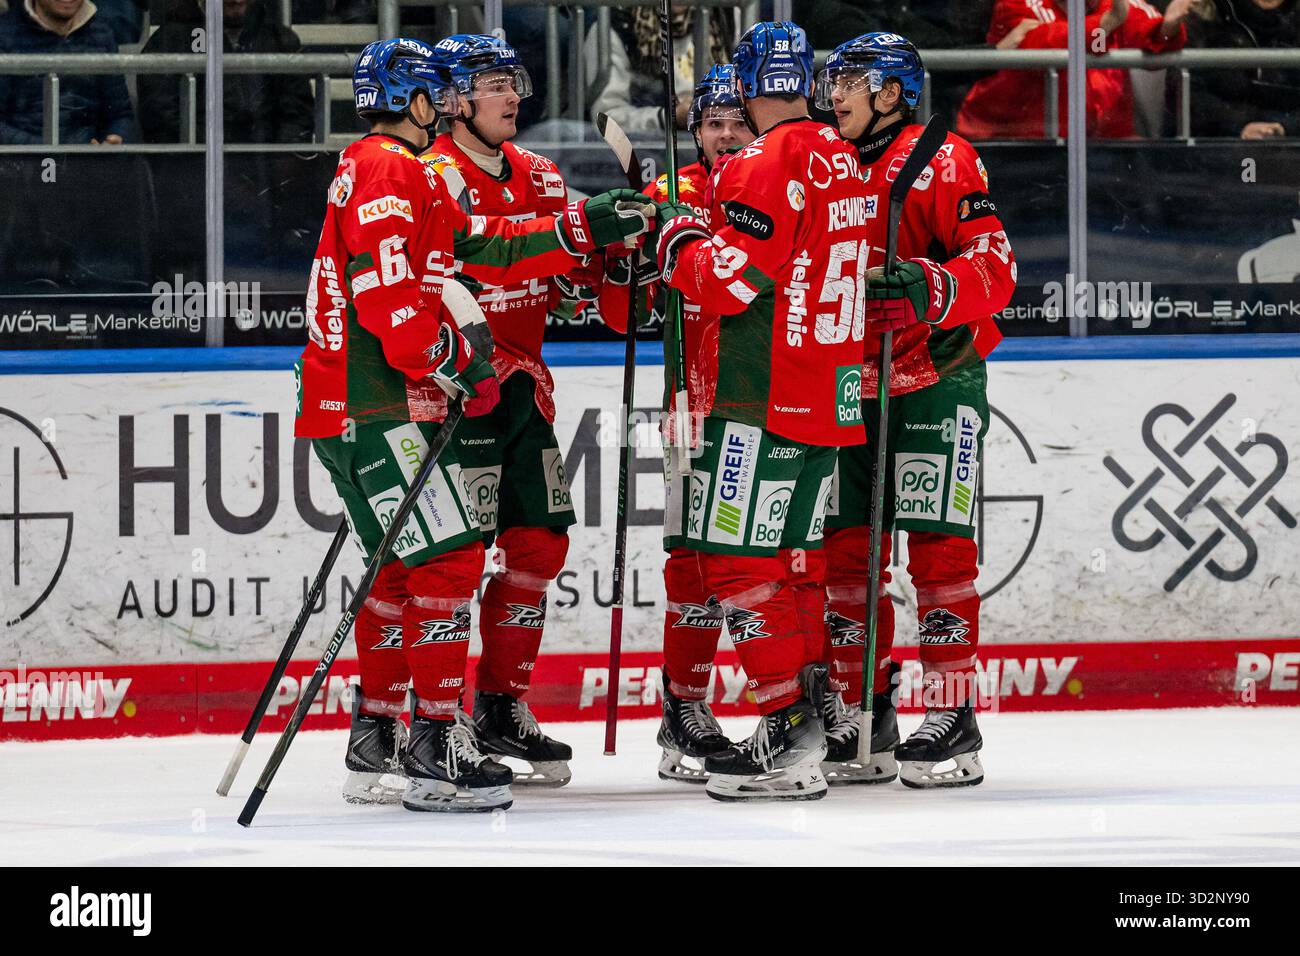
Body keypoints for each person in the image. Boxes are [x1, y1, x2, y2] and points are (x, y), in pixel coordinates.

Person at [295, 37, 655, 813]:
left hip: (389, 398)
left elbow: (487, 247)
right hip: (387, 402)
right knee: (447, 563)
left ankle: (395, 732)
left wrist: (584, 230)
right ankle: (432, 743)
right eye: (456, 92)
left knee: (431, 563)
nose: (472, 102)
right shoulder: (395, 170)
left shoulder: (395, 169)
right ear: (426, 101)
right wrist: (455, 359)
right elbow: (393, 306)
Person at [651, 21, 872, 802]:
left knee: (736, 561)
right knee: (793, 566)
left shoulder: (762, 159)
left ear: (746, 85)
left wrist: (678, 243)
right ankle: (812, 711)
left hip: (762, 393)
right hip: (831, 394)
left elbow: (730, 282)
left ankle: (786, 727)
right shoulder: (843, 154)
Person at [818, 33, 1018, 788]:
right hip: (846, 384)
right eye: (831, 77)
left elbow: (996, 266)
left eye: (852, 79)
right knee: (848, 556)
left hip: (937, 373)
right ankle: (861, 710)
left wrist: (931, 286)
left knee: (939, 556)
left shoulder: (945, 158)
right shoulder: (824, 162)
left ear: (893, 92)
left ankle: (952, 710)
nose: (835, 91)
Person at [418, 34, 591, 787]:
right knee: (439, 565)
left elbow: (570, 274)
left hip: (522, 391)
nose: (511, 94)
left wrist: (606, 265)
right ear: (453, 100)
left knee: (539, 546)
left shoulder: (544, 176)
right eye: (491, 83)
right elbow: (457, 271)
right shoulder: (429, 179)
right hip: (453, 395)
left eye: (512, 80)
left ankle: (498, 704)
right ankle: (409, 718)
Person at [593, 64, 756, 783]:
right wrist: (624, 257)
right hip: (691, 410)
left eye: (737, 122)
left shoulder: (781, 185)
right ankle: (682, 713)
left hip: (773, 406)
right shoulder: (670, 197)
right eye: (712, 124)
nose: (724, 135)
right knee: (692, 566)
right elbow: (620, 314)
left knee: (773, 565)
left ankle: (804, 708)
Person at [957, 0, 1193, 139]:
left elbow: (1151, 35)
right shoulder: (1017, 3)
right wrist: (1106, 24)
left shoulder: (1114, 6)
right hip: (1012, 141)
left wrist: (1168, 28)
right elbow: (1039, 44)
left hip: (1103, 145)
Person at [138, 0, 314, 144]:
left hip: (265, 171)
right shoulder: (171, 38)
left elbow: (297, 117)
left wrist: (278, 163)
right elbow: (160, 118)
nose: (236, 0)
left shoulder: (280, 39)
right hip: (195, 170)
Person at [0, 0, 136, 145]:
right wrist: (48, 151)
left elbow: (120, 114)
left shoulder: (101, 33)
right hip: (23, 161)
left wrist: (115, 138)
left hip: (88, 159)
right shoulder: (4, 36)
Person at [584, 3, 734, 132]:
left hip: (722, 144)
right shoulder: (613, 28)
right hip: (647, 153)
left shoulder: (726, 18)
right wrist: (669, 117)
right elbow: (606, 119)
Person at [1183, 0, 1300, 139]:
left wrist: (1285, 126)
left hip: (1292, 145)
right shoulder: (1201, 14)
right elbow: (1187, 93)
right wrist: (1239, 126)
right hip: (1214, 145)